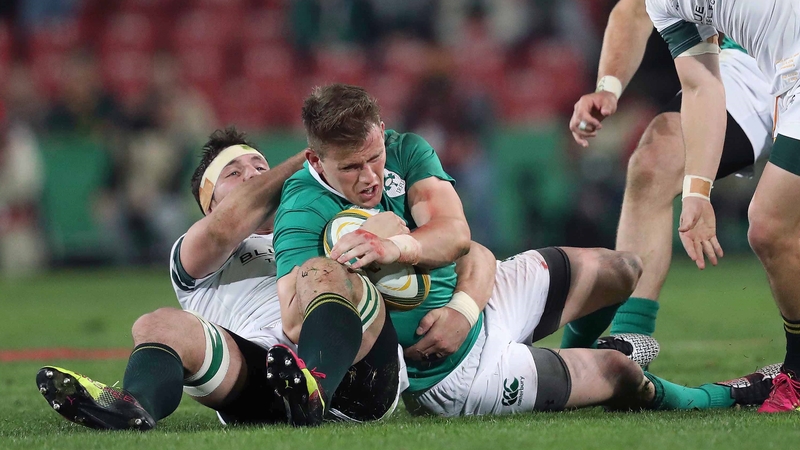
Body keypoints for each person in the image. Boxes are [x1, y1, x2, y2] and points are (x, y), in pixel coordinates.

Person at [272, 83, 776, 418]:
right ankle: (724, 395)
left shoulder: (408, 150)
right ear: (316, 158)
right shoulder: (302, 208)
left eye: (374, 157)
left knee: (622, 269)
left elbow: (455, 235)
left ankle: (589, 347)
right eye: (351, 168)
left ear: (382, 132)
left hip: (480, 301)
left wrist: (428, 276)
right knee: (621, 378)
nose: (370, 177)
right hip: (453, 372)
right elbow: (296, 317)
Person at [36, 128, 407, 430]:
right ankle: (133, 406)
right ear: (208, 204)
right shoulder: (197, 248)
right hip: (263, 379)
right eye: (234, 173)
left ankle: (314, 388)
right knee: (158, 323)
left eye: (261, 167)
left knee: (320, 270)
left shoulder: (317, 222)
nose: (254, 177)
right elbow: (228, 221)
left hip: (361, 377)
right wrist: (320, 151)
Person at [565, 0, 774, 351]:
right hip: (749, 63)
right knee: (655, 160)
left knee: (775, 229)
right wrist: (609, 87)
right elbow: (633, 10)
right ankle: (628, 344)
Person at [642, 0, 800, 413]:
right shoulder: (662, 3)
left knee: (770, 223)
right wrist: (697, 191)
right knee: (770, 229)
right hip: (789, 78)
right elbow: (702, 86)